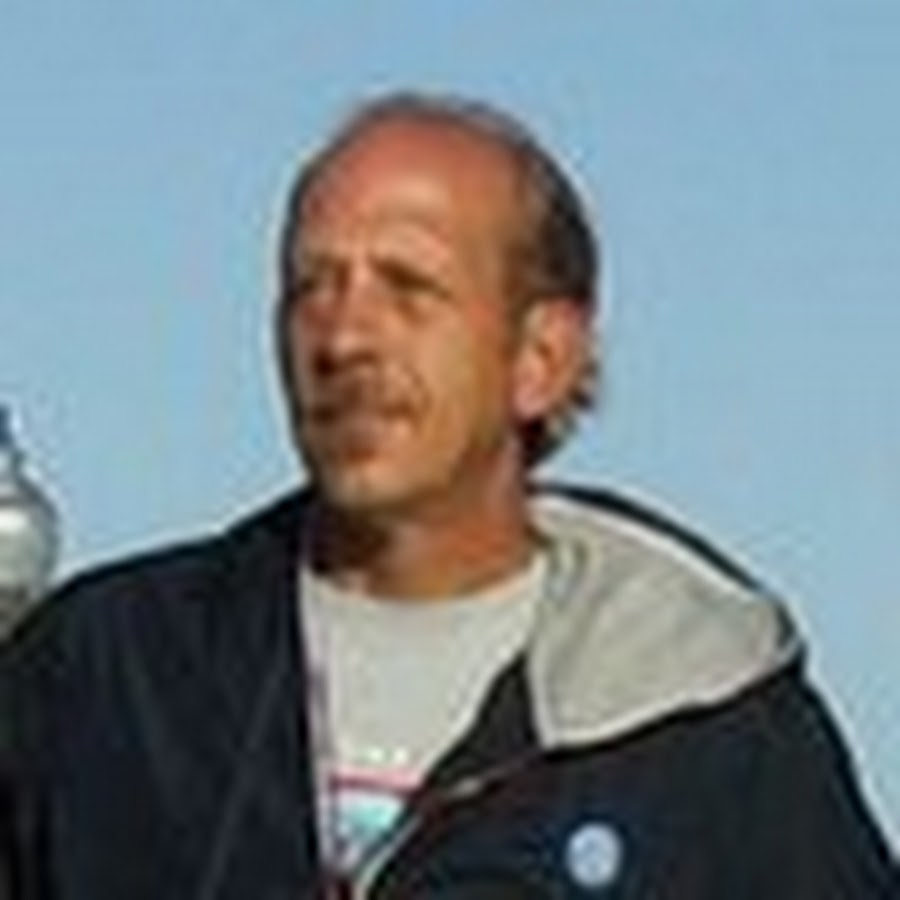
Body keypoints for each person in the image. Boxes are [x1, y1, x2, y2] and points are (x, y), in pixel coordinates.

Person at [2, 92, 897, 900]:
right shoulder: (104, 679)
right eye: (311, 286)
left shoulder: (705, 715)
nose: (343, 337)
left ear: (541, 359)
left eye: (409, 288)